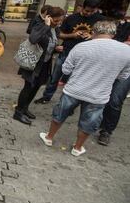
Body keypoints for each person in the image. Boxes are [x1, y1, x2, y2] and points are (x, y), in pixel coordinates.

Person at [39, 21, 130, 157]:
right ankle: (77, 147)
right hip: (99, 94)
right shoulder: (126, 51)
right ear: (113, 33)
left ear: (93, 32)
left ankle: (49, 137)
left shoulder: (81, 47)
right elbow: (123, 76)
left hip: (74, 89)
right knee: (89, 121)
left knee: (60, 113)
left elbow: (66, 69)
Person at [34, 0, 105, 104]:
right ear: (82, 7)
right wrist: (73, 35)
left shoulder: (100, 20)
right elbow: (60, 34)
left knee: (74, 80)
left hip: (87, 55)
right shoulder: (71, 18)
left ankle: (68, 102)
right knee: (55, 77)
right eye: (87, 10)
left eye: (92, 11)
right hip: (67, 52)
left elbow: (106, 38)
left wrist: (92, 36)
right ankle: (46, 96)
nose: (89, 13)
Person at [13, 7, 65, 125]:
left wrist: (56, 49)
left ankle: (25, 108)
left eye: (60, 21)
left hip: (45, 64)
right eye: (56, 21)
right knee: (28, 86)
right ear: (48, 17)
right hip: (33, 62)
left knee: (36, 86)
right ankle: (18, 112)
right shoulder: (40, 25)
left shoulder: (55, 30)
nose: (58, 23)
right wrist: (46, 25)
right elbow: (33, 39)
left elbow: (49, 45)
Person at [97, 18, 130, 145]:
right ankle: (96, 121)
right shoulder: (124, 26)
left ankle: (106, 131)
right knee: (100, 94)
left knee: (115, 100)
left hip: (127, 69)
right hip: (112, 63)